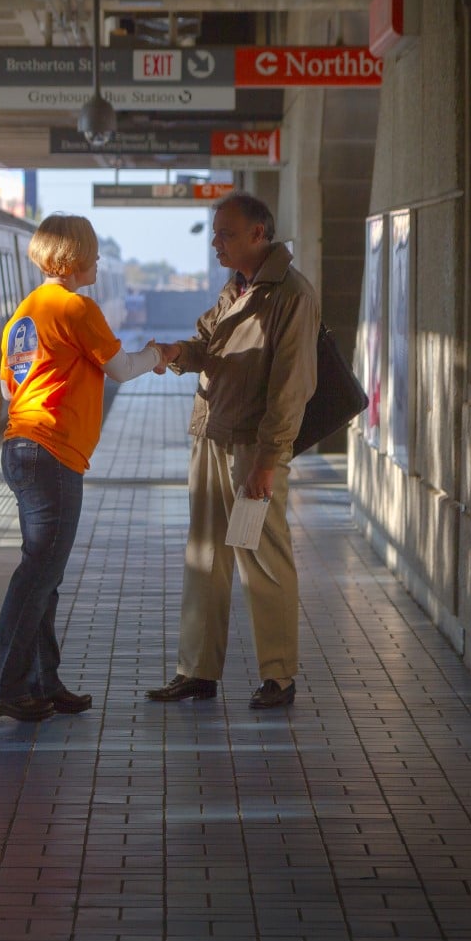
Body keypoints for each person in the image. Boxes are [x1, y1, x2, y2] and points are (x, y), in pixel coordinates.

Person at [0, 214, 165, 722]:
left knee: (45, 573)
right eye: (94, 252)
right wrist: (159, 353)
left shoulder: (25, 313)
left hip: (21, 446)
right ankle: (2, 686)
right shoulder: (76, 308)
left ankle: (41, 681)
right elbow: (122, 369)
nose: (100, 262)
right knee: (38, 571)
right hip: (52, 452)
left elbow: (7, 388)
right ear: (76, 257)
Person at [147, 192, 320, 710]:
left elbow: (291, 386)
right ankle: (197, 670)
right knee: (206, 555)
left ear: (258, 235)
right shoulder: (238, 287)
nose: (216, 242)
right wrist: (179, 354)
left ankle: (279, 676)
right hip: (211, 434)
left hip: (251, 448)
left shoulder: (289, 294)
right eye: (216, 232)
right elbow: (208, 344)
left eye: (226, 233)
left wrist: (270, 460)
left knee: (262, 557)